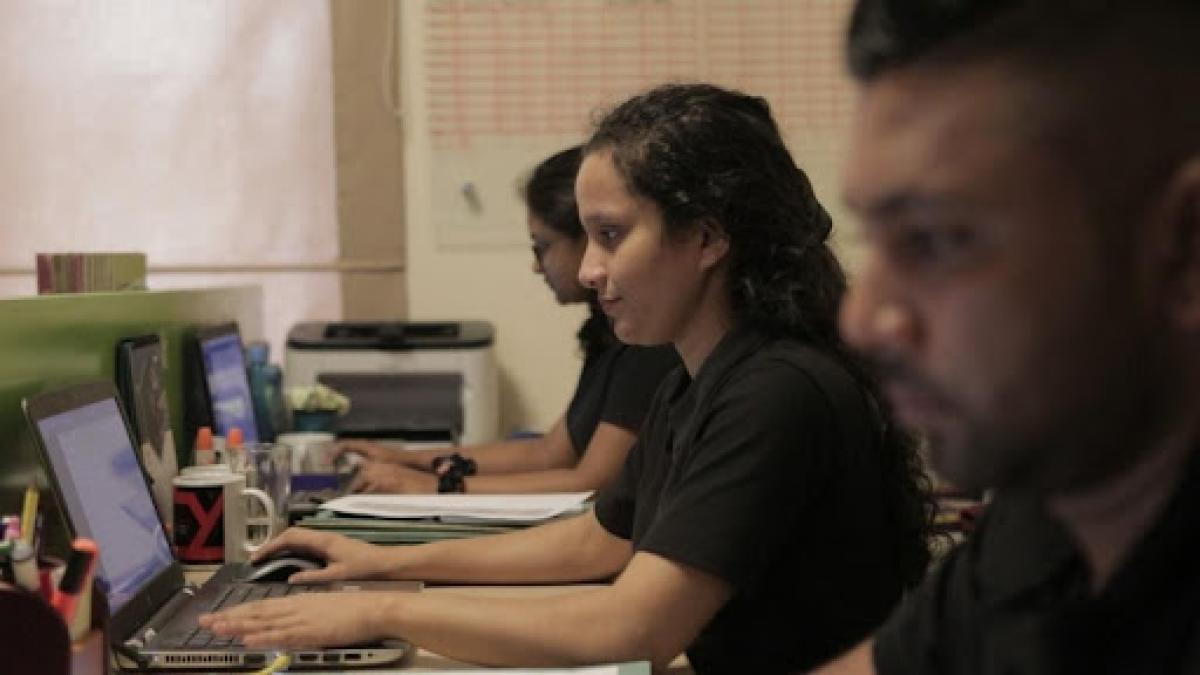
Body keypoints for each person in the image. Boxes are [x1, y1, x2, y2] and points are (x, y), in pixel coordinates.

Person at [201, 83, 931, 673]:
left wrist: (381, 610)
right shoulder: (696, 378)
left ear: (707, 236)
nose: (588, 270)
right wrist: (387, 562)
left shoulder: (776, 391)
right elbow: (597, 542)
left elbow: (633, 625)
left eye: (610, 235)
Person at [817, 2, 1200, 673]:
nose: (861, 319)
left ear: (1187, 249)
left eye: (934, 240)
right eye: (870, 239)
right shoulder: (1051, 509)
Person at [341, 145, 678, 494]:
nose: (536, 265)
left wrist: (431, 486)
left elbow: (590, 482)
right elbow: (549, 453)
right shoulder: (607, 333)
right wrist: (403, 459)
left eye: (542, 246)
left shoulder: (647, 342)